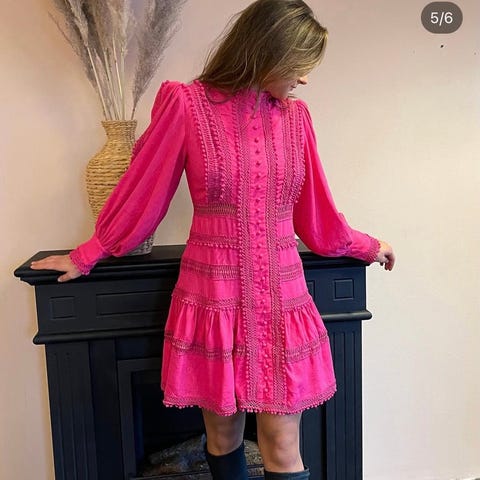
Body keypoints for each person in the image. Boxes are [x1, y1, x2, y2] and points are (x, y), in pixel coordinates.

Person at [31, 0, 395, 478]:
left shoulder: (296, 118)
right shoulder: (188, 104)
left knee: (283, 444)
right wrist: (89, 253)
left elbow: (316, 215)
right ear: (266, 51)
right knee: (222, 438)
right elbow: (145, 189)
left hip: (280, 302)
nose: (304, 79)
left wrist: (366, 245)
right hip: (212, 299)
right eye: (298, 65)